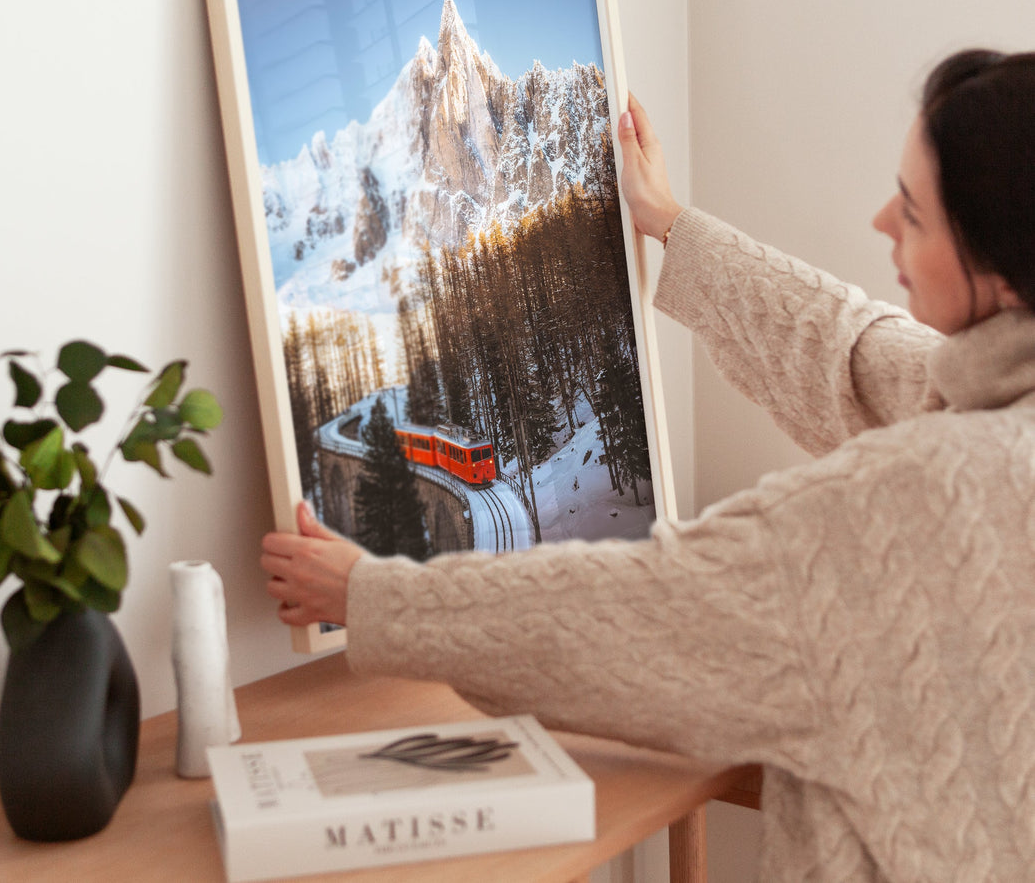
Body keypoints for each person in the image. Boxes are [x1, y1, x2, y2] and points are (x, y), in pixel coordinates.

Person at [261, 49, 1035, 882]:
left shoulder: (912, 501)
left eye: (915, 214)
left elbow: (639, 612)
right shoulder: (997, 405)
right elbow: (851, 351)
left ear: (999, 271)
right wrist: (670, 223)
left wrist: (370, 596)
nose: (883, 220)